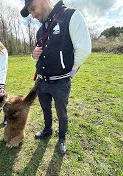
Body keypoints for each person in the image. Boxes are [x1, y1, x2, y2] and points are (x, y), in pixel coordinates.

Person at [20, 0, 92, 154]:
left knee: (62, 112)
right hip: (42, 82)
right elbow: (38, 55)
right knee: (46, 109)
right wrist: (33, 56)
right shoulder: (40, 30)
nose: (32, 15)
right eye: (30, 12)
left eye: (33, 8)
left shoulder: (70, 15)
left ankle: (62, 137)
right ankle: (47, 130)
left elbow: (84, 49)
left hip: (61, 83)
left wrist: (66, 69)